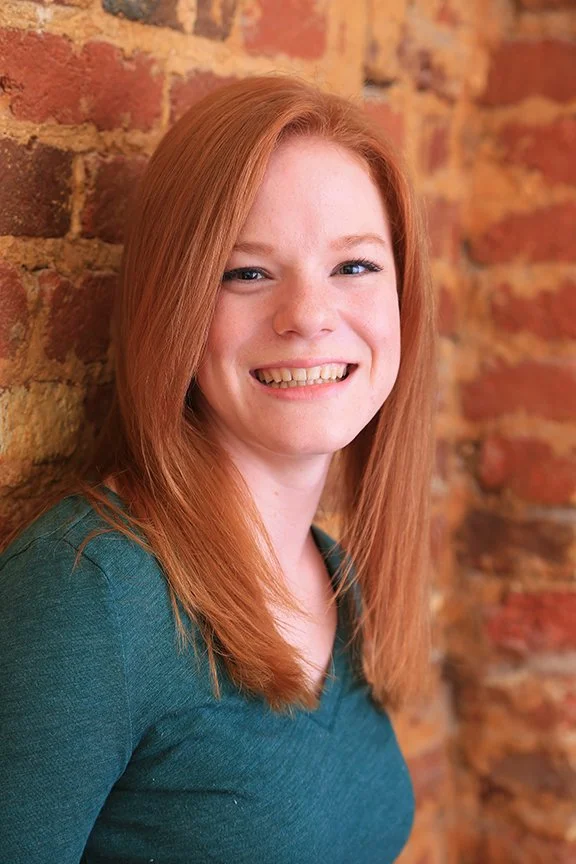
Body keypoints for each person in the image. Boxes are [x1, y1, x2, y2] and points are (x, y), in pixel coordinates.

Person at [0, 74, 436, 863]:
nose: (307, 313)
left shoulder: (336, 575)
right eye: (247, 272)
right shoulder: (92, 595)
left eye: (356, 267)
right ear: (175, 306)